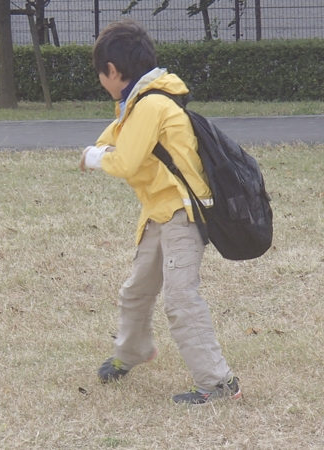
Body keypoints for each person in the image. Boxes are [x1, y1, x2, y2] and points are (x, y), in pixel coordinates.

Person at [79, 19, 241, 404]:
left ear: (113, 72)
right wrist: (101, 152)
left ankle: (219, 384)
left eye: (101, 74)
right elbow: (113, 139)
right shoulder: (137, 103)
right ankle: (133, 351)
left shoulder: (150, 103)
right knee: (137, 289)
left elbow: (126, 161)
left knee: (181, 299)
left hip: (183, 215)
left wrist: (94, 158)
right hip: (158, 212)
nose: (102, 81)